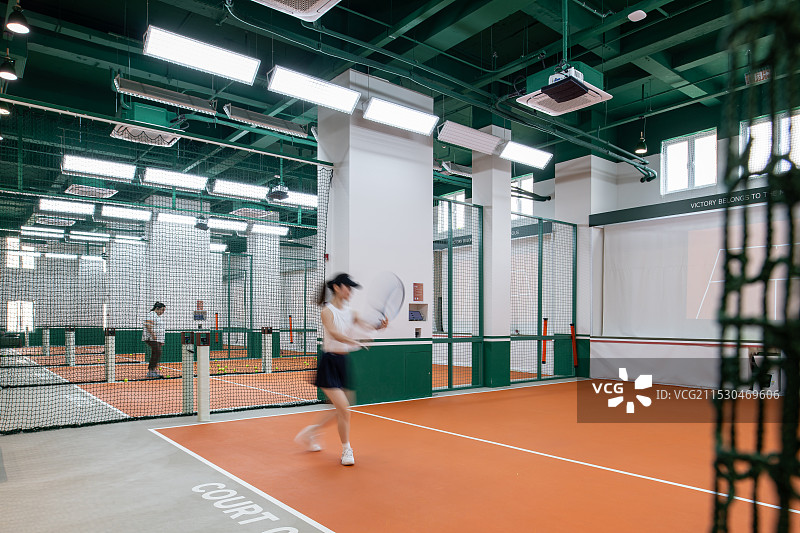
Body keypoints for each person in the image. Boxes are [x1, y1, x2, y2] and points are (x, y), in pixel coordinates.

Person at [295, 273, 387, 466]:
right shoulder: (327, 311)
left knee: (342, 408)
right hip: (329, 362)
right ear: (337, 288)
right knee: (344, 409)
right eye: (348, 287)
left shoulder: (351, 312)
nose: (350, 291)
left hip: (343, 362)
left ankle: (311, 432)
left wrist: (380, 326)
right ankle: (346, 449)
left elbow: (367, 325)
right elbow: (334, 333)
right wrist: (355, 341)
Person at [142, 302, 166, 378]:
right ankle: (151, 371)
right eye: (162, 310)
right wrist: (153, 335)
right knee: (157, 352)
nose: (163, 312)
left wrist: (161, 340)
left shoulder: (157, 316)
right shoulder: (151, 314)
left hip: (156, 339)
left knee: (157, 352)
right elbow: (148, 326)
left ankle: (152, 370)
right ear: (157, 308)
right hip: (151, 338)